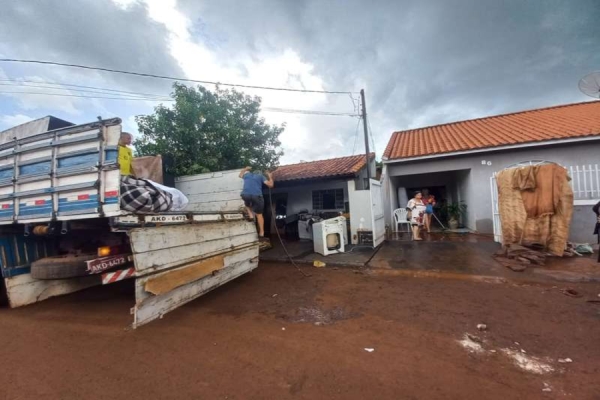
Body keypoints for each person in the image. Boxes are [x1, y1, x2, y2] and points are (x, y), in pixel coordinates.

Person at [239, 166, 274, 241]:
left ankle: (251, 215)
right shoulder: (261, 176)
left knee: (247, 204)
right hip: (257, 196)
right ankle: (261, 234)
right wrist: (270, 177)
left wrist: (245, 169)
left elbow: (240, 175)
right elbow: (270, 185)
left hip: (245, 195)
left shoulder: (247, 175)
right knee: (259, 215)